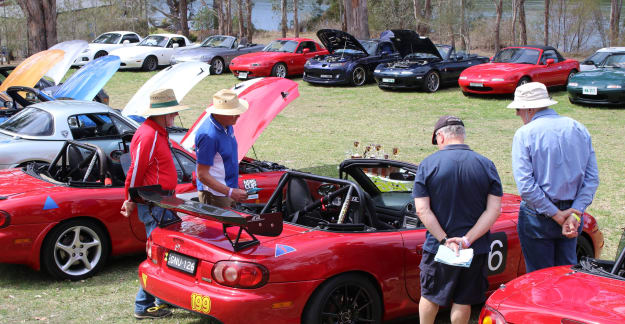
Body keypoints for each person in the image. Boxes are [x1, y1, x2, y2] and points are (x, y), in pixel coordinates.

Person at [412, 115, 503, 324]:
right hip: (474, 248)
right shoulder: (487, 165)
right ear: (462, 135)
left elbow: (422, 210)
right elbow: (494, 210)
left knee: (430, 297)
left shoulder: (427, 165)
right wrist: (467, 240)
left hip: (438, 248)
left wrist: (445, 240)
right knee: (463, 301)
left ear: (440, 137)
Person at [508, 82, 599, 273]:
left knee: (540, 279)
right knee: (567, 274)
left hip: (539, 216)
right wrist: (574, 212)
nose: (517, 114)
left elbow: (525, 186)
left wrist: (558, 215)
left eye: (519, 109)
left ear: (529, 108)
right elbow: (591, 179)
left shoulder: (524, 134)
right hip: (571, 213)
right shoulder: (579, 128)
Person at [120, 88, 190, 319]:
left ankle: (160, 299)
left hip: (161, 200)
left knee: (164, 251)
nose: (174, 118)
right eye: (172, 113)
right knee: (159, 253)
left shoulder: (156, 132)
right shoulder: (149, 134)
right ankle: (143, 304)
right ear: (163, 114)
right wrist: (130, 199)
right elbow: (136, 169)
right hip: (154, 203)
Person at [195, 89, 249, 208]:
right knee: (221, 227)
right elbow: (202, 174)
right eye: (234, 112)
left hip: (226, 192)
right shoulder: (208, 136)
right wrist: (230, 192)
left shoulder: (227, 124)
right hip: (215, 196)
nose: (239, 115)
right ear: (220, 113)